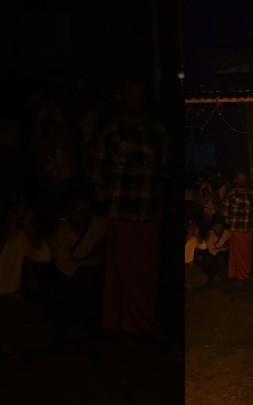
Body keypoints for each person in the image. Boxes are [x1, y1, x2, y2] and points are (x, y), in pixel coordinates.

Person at [89, 77, 168, 335]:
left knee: (145, 272)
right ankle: (118, 321)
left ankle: (141, 322)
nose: (135, 101)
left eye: (139, 95)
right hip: (120, 210)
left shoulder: (157, 130)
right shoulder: (111, 129)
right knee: (120, 268)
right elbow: (97, 172)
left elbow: (164, 168)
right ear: (122, 98)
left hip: (148, 210)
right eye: (130, 95)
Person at [48, 186, 107, 331]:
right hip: (71, 278)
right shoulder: (61, 231)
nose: (81, 215)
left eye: (85, 210)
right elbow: (64, 266)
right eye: (76, 210)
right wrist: (91, 261)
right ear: (68, 211)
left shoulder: (100, 224)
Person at [0, 196, 52, 296]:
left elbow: (45, 256)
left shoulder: (18, 236)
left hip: (11, 295)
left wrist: (27, 225)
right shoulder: (8, 232)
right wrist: (8, 227)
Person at [222, 171, 253, 283]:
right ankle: (238, 275)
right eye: (240, 178)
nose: (242, 180)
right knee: (236, 252)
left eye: (244, 178)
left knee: (246, 254)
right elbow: (225, 210)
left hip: (248, 227)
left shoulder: (251, 193)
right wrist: (229, 224)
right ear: (236, 180)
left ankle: (244, 274)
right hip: (235, 227)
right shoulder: (231, 193)